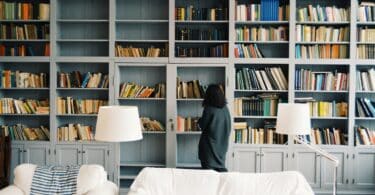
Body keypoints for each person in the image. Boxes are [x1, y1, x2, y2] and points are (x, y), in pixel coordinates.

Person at [198, 84, 231, 172]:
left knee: (208, 176)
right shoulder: (225, 108)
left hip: (209, 148)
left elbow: (202, 125)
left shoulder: (209, 109)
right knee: (220, 174)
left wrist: (199, 121)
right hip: (222, 147)